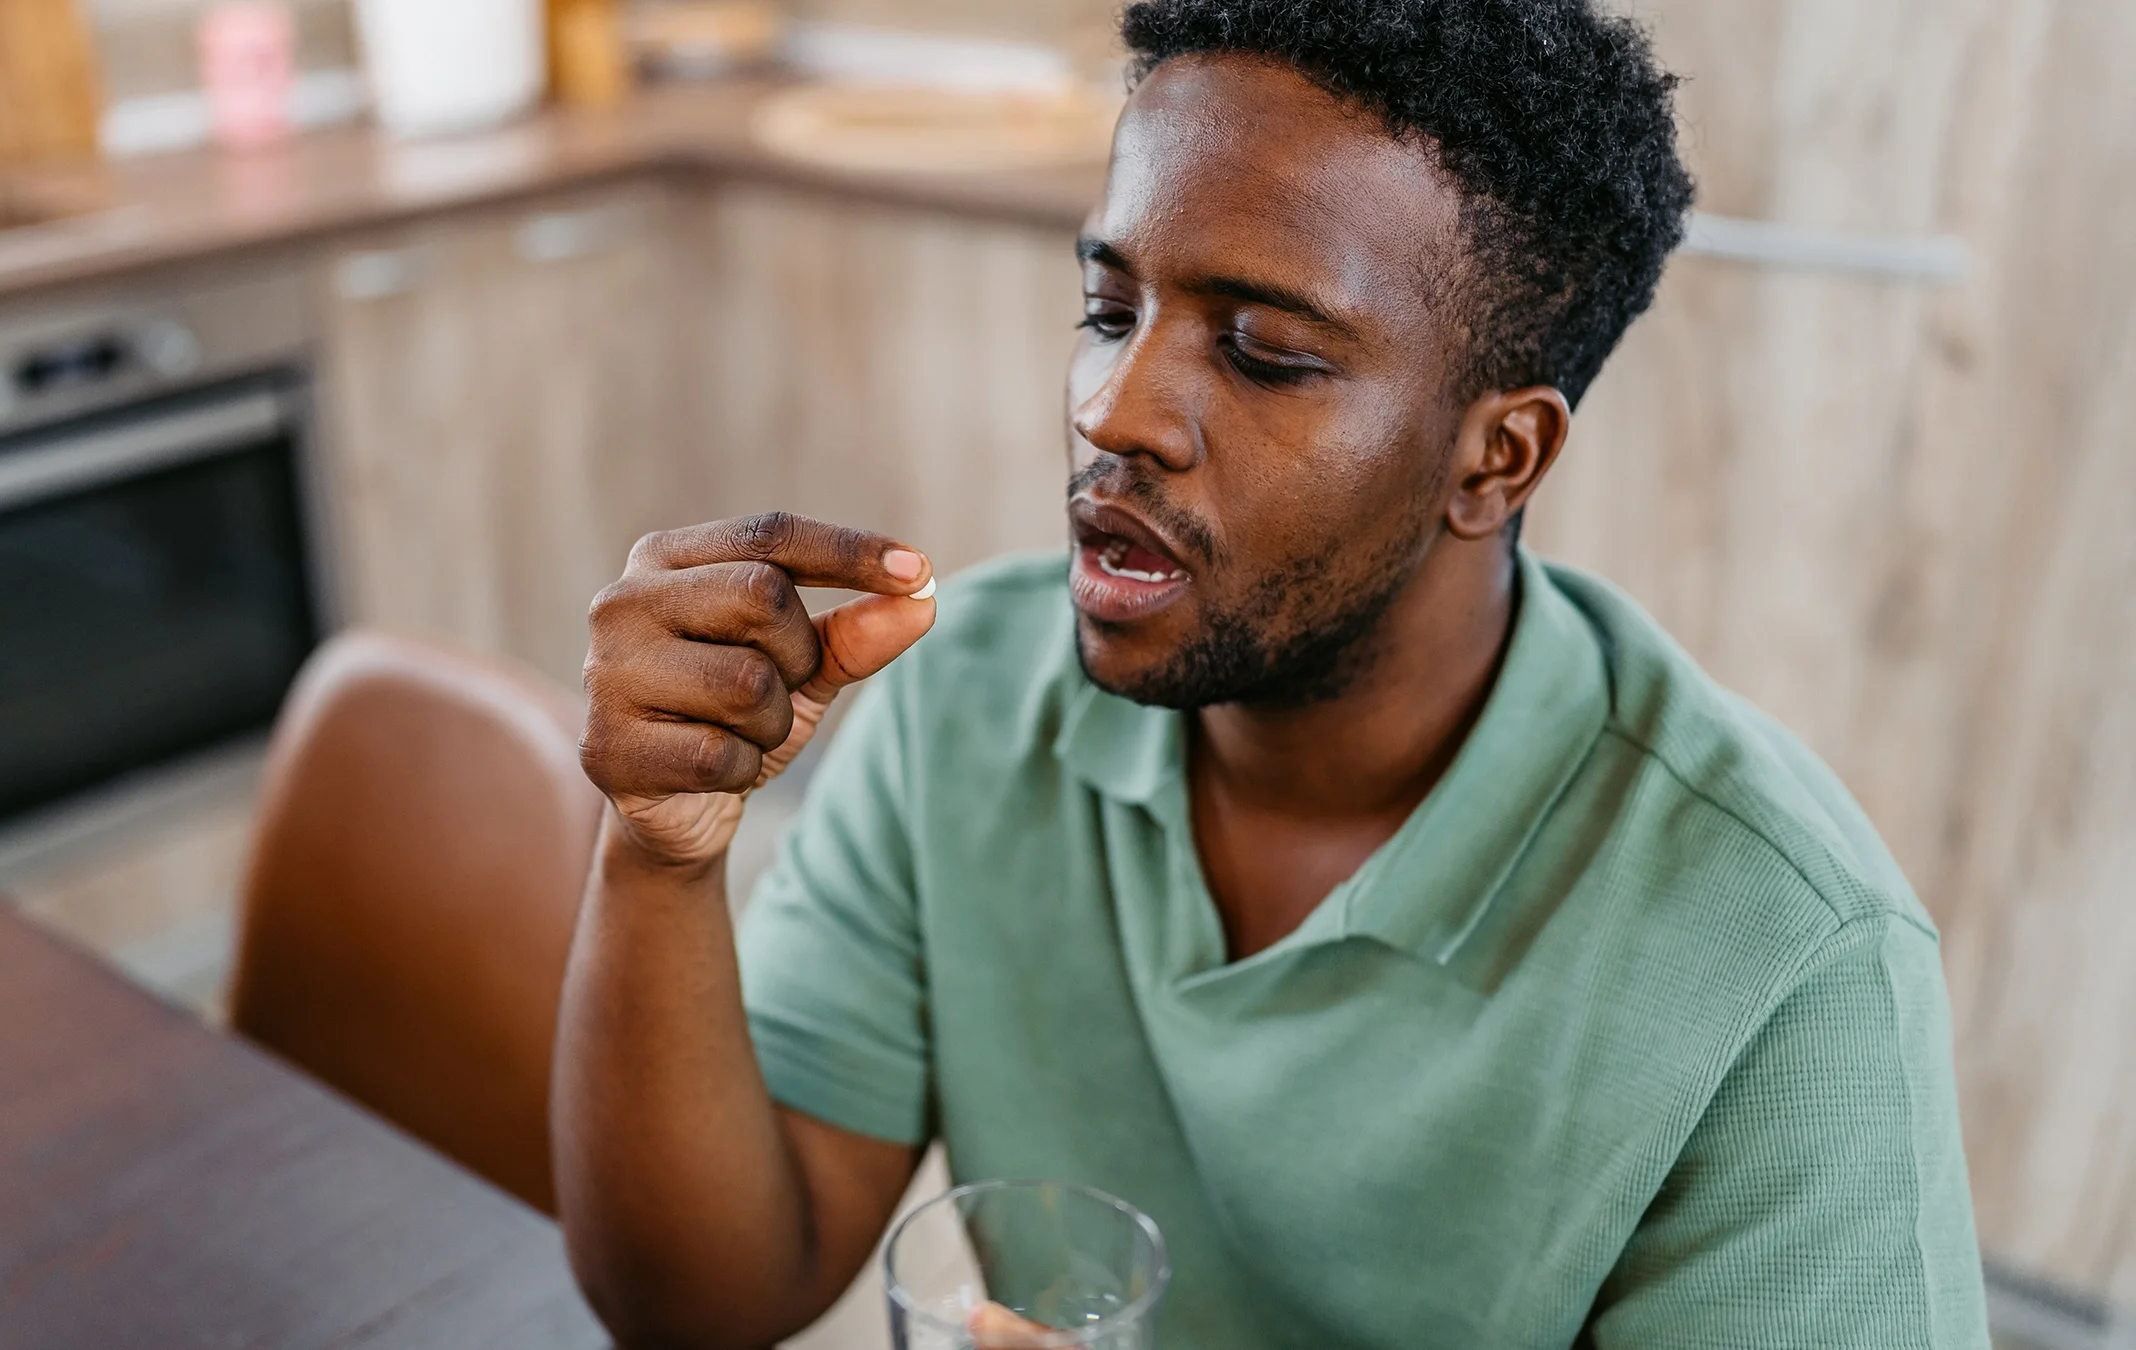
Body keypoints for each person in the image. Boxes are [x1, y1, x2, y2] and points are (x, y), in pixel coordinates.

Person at [554, 0, 1990, 1345]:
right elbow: (706, 1295)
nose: (1115, 412)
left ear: (1497, 457)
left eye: (1263, 354)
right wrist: (662, 855)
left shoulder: (1793, 971)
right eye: (1111, 310)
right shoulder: (961, 701)